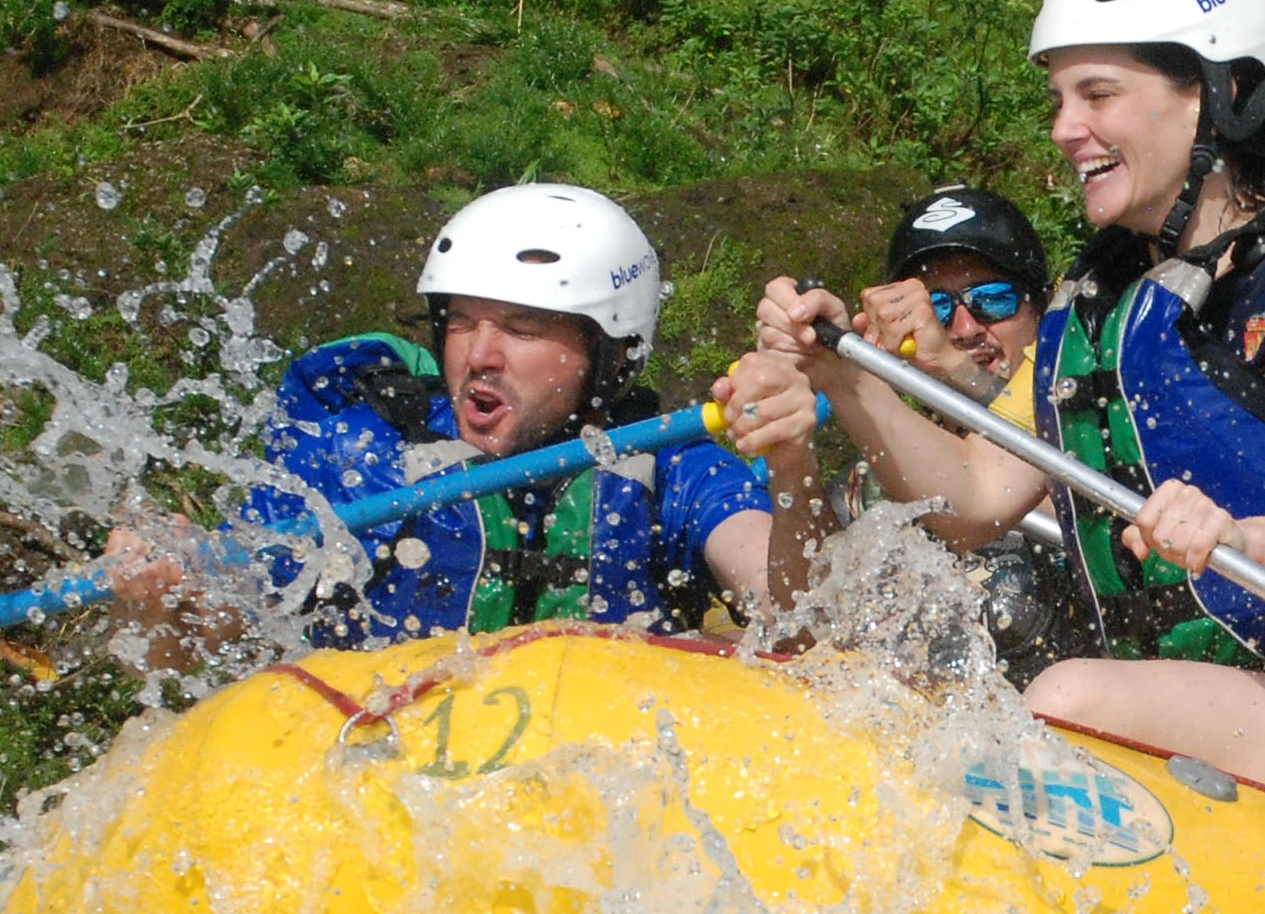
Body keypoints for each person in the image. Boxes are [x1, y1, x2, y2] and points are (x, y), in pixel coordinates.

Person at [716, 0, 1265, 824]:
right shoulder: (1094, 296)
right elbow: (973, 498)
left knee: (1068, 701)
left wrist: (1243, 536)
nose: (1063, 130)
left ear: (1222, 97)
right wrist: (843, 375)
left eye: (1098, 95)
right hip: (1180, 697)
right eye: (1058, 98)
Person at [111, 183, 811, 643]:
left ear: (611, 355)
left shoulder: (671, 467)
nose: (480, 355)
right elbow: (226, 625)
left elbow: (799, 619)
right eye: (461, 323)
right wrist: (171, 599)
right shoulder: (369, 457)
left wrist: (790, 461)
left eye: (523, 328)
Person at [859, 184, 1049, 404]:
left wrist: (951, 365)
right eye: (935, 309)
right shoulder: (889, 428)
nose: (966, 330)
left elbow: (1044, 432)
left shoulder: (1088, 412)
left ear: (1041, 304)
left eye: (990, 299)